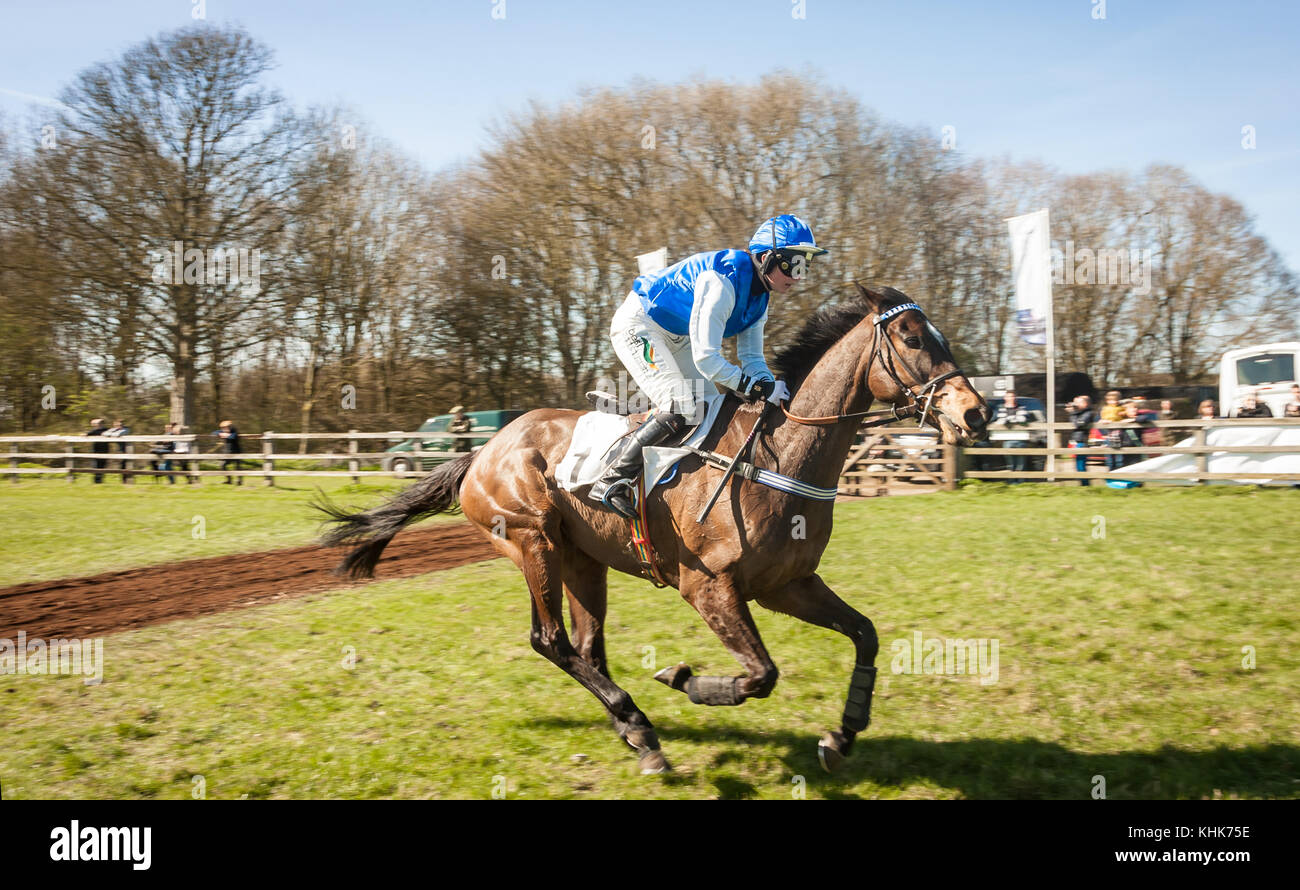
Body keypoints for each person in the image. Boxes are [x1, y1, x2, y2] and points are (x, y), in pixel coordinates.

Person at [590, 213, 827, 518]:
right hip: (639, 325)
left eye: (804, 266)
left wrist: (774, 388)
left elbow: (753, 360)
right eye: (792, 264)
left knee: (706, 408)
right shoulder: (722, 282)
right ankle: (611, 479)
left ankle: (638, 413)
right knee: (680, 405)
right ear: (767, 258)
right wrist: (754, 387)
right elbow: (707, 359)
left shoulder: (761, 299)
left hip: (677, 336)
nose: (798, 276)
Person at [1065, 394, 1098, 486]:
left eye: (1078, 402)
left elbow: (1078, 424)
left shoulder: (1088, 413)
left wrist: (1072, 412)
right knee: (1078, 465)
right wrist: (1073, 412)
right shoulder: (1079, 412)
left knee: (1081, 465)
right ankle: (1083, 484)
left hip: (1082, 441)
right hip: (1077, 441)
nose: (1075, 404)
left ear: (1085, 403)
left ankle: (1085, 485)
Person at [1098, 390, 1125, 471]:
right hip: (1108, 434)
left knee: (1119, 456)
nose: (1113, 402)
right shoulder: (1104, 409)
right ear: (1107, 400)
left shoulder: (1121, 408)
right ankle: (1111, 473)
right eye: (1111, 400)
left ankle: (1120, 473)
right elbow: (1099, 420)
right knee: (1109, 456)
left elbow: (1124, 418)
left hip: (1119, 434)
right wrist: (1102, 422)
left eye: (1115, 400)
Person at [216, 420, 243, 485]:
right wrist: (220, 433)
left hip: (236, 452)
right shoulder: (223, 431)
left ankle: (239, 481)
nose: (223, 429)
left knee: (238, 467)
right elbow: (215, 432)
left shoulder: (234, 431)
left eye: (225, 427)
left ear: (229, 427)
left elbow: (233, 436)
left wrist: (226, 435)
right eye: (222, 428)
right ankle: (229, 480)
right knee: (222, 465)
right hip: (228, 453)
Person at [86, 417, 108, 483]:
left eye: (97, 423)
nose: (96, 425)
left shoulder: (107, 430)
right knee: (95, 465)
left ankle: (100, 480)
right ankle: (96, 480)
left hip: (104, 450)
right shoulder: (94, 431)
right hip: (96, 450)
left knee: (102, 465)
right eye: (96, 424)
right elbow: (86, 434)